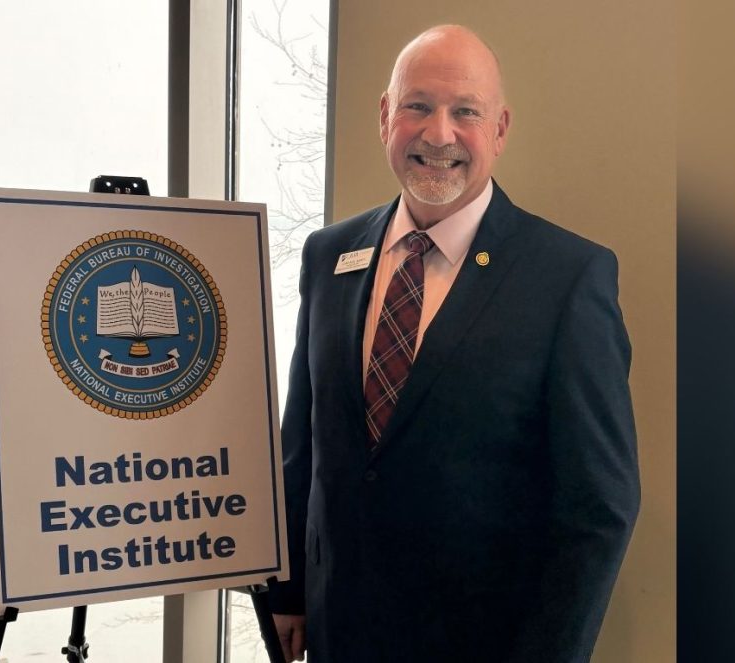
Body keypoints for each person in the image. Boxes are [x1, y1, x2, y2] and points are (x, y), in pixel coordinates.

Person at [267, 25, 640, 662]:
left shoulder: (567, 276)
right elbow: (302, 441)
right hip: (339, 632)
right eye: (417, 105)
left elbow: (598, 507)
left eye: (465, 111)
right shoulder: (329, 254)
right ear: (386, 117)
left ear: (499, 129)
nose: (438, 134)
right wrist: (288, 590)